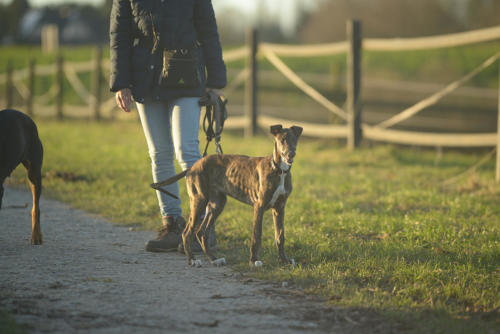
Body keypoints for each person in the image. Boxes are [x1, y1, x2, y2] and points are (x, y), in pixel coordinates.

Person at [109, 0, 226, 252]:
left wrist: (215, 80)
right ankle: (172, 224)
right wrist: (121, 82)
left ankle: (202, 229)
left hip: (186, 73)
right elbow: (120, 34)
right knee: (160, 154)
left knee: (187, 150)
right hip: (145, 77)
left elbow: (208, 29)